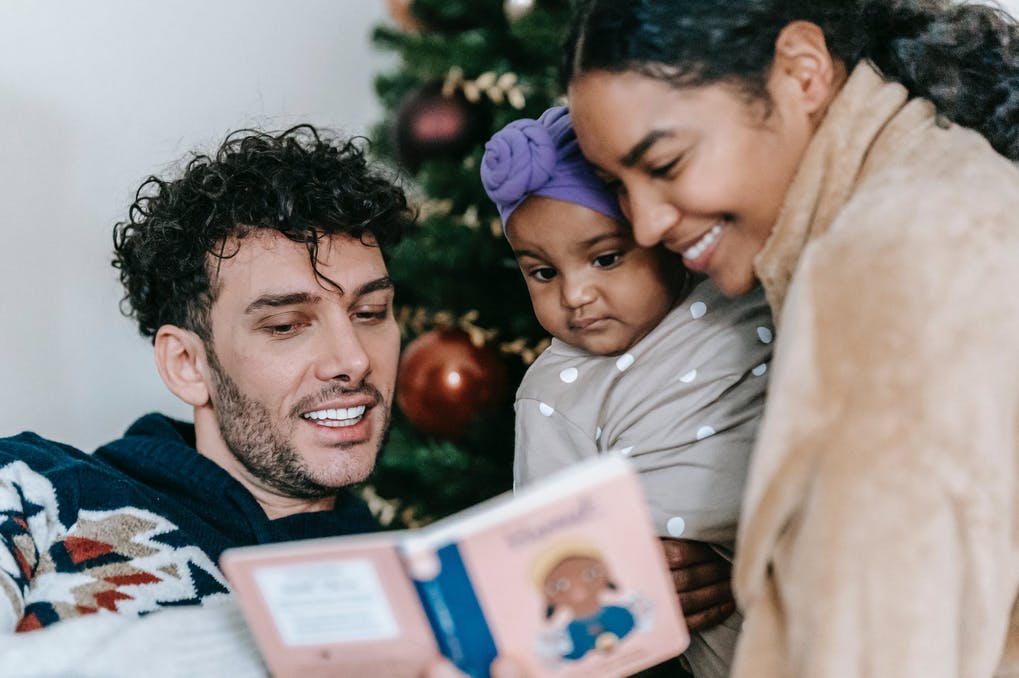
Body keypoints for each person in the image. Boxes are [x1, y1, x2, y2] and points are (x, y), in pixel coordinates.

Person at [0, 124, 733, 676]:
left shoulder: (438, 587)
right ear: (187, 364)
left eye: (370, 312)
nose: (353, 361)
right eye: (286, 325)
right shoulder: (30, 489)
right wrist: (272, 640)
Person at [562, 1, 1019, 676]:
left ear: (801, 73)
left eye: (664, 163)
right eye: (617, 188)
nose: (647, 224)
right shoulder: (940, 195)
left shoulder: (882, 262)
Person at [481, 105, 772, 677]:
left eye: (606, 259)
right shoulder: (554, 396)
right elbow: (554, 562)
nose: (575, 295)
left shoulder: (741, 289)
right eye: (542, 272)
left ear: (659, 232)